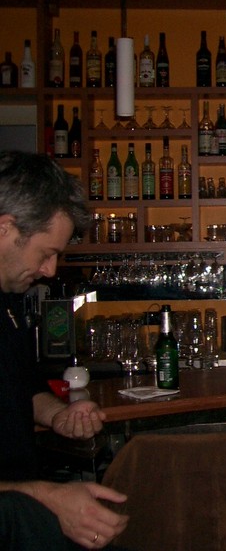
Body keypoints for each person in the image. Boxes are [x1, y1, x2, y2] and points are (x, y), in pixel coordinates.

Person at [0, 150, 129, 550]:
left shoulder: (8, 300)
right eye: (47, 253)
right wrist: (49, 497)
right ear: (5, 228)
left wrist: (59, 415)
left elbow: (22, 388)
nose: (50, 270)